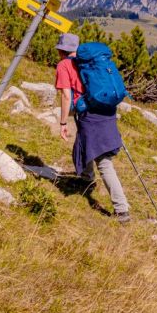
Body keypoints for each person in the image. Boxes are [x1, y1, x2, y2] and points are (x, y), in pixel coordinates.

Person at [55, 32, 130, 224]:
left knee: (103, 161)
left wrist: (63, 122)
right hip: (106, 109)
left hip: (90, 114)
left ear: (61, 50)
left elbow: (65, 96)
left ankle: (122, 209)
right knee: (84, 142)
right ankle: (87, 178)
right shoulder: (89, 62)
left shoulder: (64, 65)